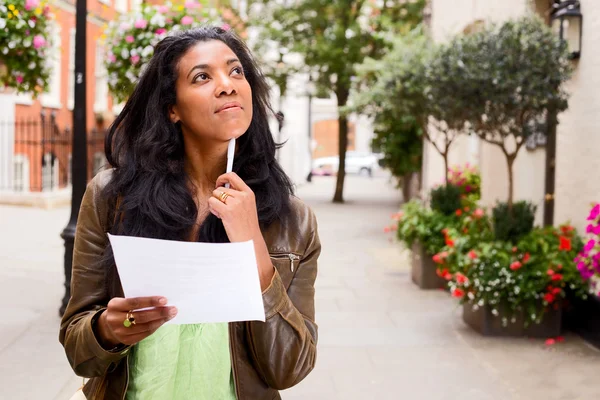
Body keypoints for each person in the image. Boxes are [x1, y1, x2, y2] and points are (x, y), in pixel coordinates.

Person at [59, 26, 320, 400]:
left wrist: (255, 250)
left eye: (235, 71)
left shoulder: (296, 222)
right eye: (202, 76)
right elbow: (78, 348)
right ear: (173, 108)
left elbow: (289, 367)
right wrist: (108, 330)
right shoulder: (111, 197)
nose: (227, 85)